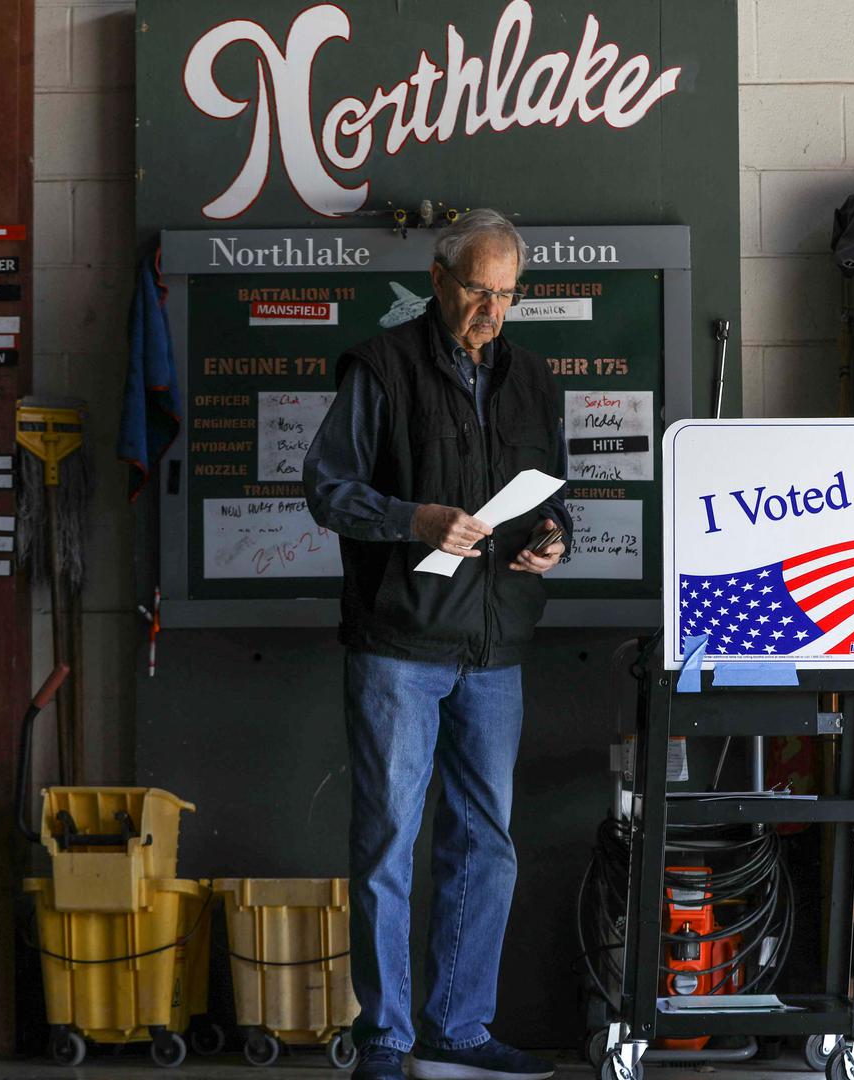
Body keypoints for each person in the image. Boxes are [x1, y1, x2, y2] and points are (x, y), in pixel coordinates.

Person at [303, 209, 570, 1080]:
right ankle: (385, 1038)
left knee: (484, 844)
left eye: (505, 295)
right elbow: (326, 490)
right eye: (475, 290)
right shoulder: (380, 367)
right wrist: (411, 518)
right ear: (436, 278)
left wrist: (551, 539)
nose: (489, 310)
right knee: (387, 841)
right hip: (399, 645)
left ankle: (458, 1027)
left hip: (494, 648)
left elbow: (552, 499)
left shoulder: (533, 380)